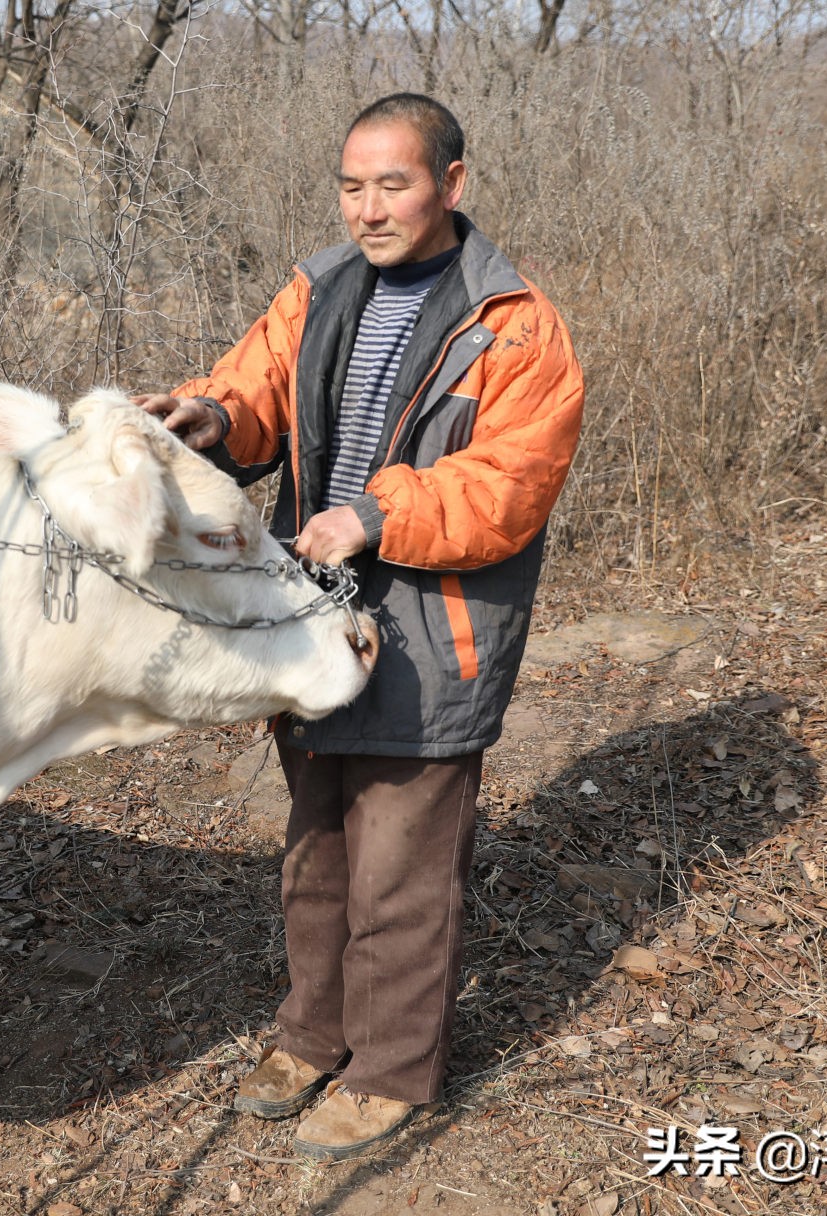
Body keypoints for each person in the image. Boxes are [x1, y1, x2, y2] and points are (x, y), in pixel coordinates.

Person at [136, 92, 584, 1161]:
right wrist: (212, 419)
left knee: (401, 865)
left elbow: (510, 485)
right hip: (310, 618)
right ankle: (307, 1035)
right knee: (314, 847)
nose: (369, 208)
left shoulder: (515, 325)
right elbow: (252, 392)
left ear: (450, 185)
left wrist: (377, 514)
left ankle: (387, 1068)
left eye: (393, 184)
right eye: (351, 186)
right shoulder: (319, 287)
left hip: (436, 629)